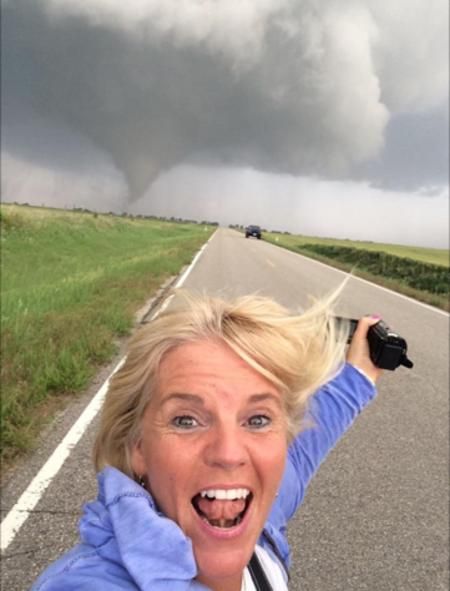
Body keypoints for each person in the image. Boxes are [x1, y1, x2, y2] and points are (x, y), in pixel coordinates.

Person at [31, 290, 382, 591]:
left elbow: (307, 446)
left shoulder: (262, 519)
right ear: (137, 447)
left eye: (257, 419)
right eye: (186, 420)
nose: (229, 454)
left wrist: (359, 375)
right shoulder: (89, 582)